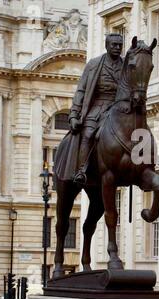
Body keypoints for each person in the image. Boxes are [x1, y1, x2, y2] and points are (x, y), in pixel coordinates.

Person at [68, 33, 124, 186]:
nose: (117, 48)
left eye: (120, 45)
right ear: (107, 46)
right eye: (114, 45)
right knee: (88, 134)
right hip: (98, 106)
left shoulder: (126, 65)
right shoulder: (93, 64)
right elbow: (81, 90)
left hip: (119, 107)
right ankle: (81, 170)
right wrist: (74, 114)